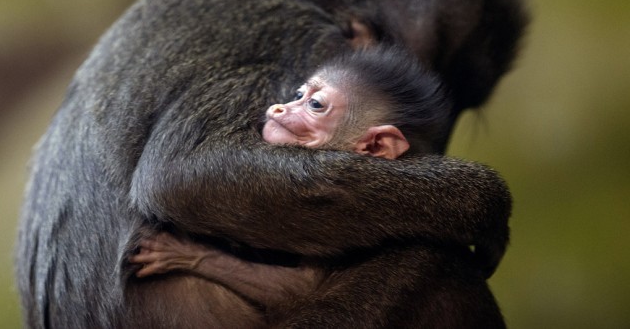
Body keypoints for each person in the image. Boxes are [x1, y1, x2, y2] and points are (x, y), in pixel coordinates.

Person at [129, 47, 452, 308]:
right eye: (299, 94)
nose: (280, 108)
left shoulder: (354, 207)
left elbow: (297, 291)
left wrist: (194, 258)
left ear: (375, 145)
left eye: (315, 104)